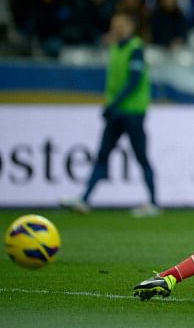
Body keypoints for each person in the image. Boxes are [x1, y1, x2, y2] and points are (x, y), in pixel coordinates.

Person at [60, 12, 160, 217]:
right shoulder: (114, 49)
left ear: (131, 27)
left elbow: (133, 81)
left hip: (133, 112)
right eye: (115, 25)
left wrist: (113, 104)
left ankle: (153, 203)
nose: (118, 28)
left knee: (141, 156)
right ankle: (84, 199)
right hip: (116, 111)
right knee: (102, 155)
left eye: (122, 25)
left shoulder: (136, 49)